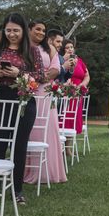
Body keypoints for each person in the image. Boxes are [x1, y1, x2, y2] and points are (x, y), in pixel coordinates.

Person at [0, 13, 45, 205]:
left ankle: (17, 190)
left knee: (19, 146)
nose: (12, 34)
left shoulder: (32, 50)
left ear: (23, 31)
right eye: (8, 30)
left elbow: (41, 76)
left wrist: (20, 73)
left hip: (23, 100)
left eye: (16, 31)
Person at [24, 19, 66, 185]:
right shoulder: (24, 48)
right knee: (32, 129)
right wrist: (32, 80)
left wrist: (41, 78)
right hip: (28, 91)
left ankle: (50, 171)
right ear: (30, 29)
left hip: (45, 92)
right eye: (38, 29)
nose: (41, 33)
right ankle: (30, 170)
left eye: (43, 30)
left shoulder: (49, 49)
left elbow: (56, 69)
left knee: (48, 128)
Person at [60, 39, 90, 143]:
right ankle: (62, 145)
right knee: (65, 117)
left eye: (71, 47)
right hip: (65, 92)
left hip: (77, 93)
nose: (70, 49)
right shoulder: (61, 60)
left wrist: (82, 85)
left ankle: (70, 145)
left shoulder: (80, 61)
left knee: (73, 118)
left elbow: (87, 75)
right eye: (67, 47)